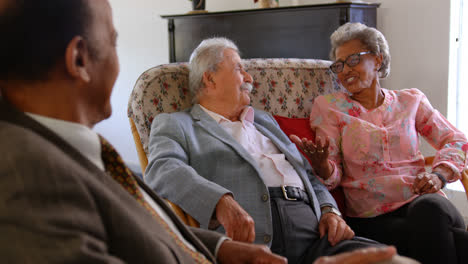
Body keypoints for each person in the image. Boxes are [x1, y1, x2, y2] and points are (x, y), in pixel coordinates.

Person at [0, 0, 289, 263]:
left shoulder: (71, 147)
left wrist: (220, 249)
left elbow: (143, 230)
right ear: (79, 60)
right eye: (113, 42)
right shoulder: (24, 175)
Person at [144, 37, 405, 264]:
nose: (249, 78)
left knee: (391, 261)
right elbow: (162, 169)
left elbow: (307, 174)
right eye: (239, 69)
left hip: (315, 238)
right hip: (256, 243)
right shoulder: (177, 123)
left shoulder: (264, 121)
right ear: (209, 78)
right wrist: (220, 202)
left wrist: (329, 210)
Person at [291, 22, 468, 264]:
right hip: (371, 217)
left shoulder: (410, 101)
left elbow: (455, 139)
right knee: (453, 240)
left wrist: (439, 175)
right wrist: (322, 165)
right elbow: (332, 175)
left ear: (377, 60)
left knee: (429, 212)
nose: (344, 71)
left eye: (353, 60)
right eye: (339, 65)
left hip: (422, 201)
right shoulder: (330, 107)